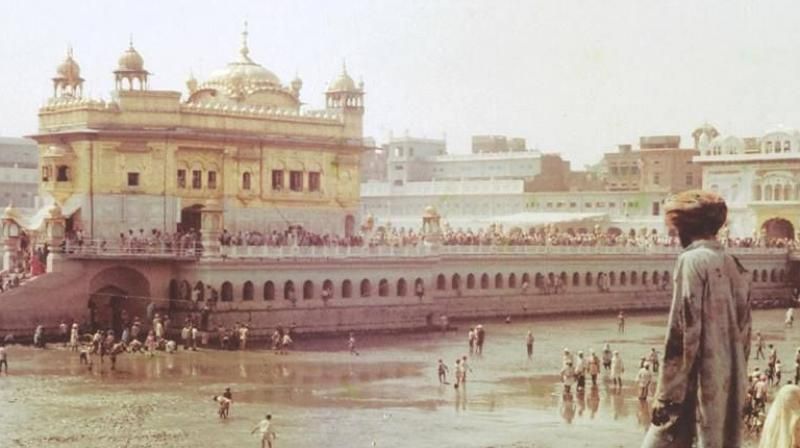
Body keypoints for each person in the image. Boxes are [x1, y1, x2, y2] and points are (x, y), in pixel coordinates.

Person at [641, 190, 751, 448]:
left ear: (684, 228)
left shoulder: (691, 260)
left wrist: (667, 394)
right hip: (728, 379)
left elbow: (683, 330)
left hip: (698, 379)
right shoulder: (734, 264)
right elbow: (745, 335)